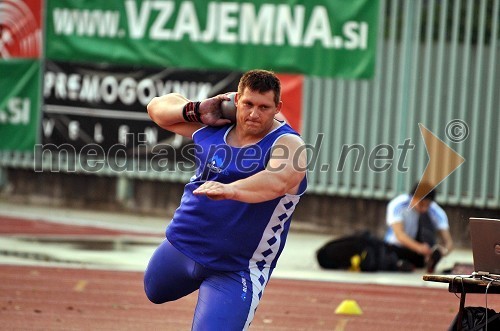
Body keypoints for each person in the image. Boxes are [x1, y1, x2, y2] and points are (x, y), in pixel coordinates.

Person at [143, 69, 307, 330]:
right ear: (236, 100)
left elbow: (279, 180)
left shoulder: (287, 144)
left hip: (235, 268)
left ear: (278, 108)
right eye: (248, 104)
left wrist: (231, 190)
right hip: (182, 246)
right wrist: (196, 109)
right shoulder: (214, 126)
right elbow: (157, 109)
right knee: (154, 290)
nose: (254, 114)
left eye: (264, 107)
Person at [384, 183, 454, 273]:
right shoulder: (398, 205)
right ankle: (398, 263)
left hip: (418, 251)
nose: (424, 209)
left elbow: (449, 242)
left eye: (427, 205)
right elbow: (399, 235)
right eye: (421, 204)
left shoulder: (436, 211)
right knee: (387, 254)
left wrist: (443, 252)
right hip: (395, 247)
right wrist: (419, 248)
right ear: (412, 197)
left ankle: (422, 261)